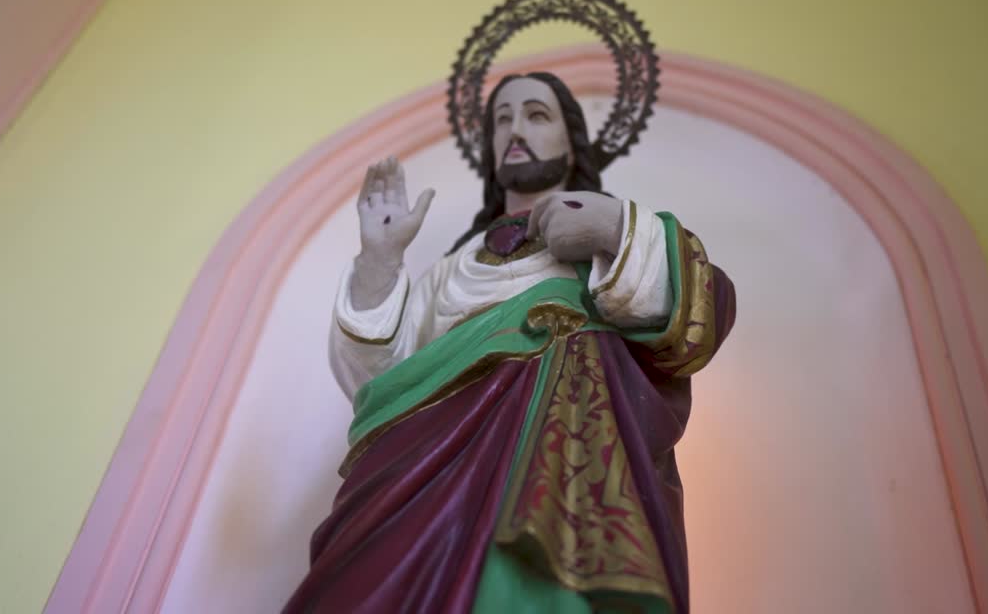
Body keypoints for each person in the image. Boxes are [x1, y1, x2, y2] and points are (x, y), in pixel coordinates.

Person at [283, 72, 736, 614]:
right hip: (419, 482)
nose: (514, 129)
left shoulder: (609, 244)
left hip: (561, 476)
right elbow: (380, 389)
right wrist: (380, 260)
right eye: (501, 119)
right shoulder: (454, 269)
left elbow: (702, 313)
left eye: (536, 115)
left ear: (572, 141)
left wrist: (614, 228)